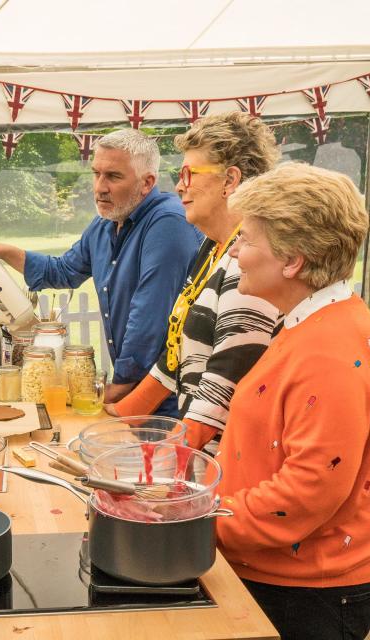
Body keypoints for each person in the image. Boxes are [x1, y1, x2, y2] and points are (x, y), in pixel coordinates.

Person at [216, 163, 370, 640]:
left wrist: (194, 519)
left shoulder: (328, 352)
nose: (234, 252)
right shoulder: (314, 320)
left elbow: (306, 492)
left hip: (310, 588)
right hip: (290, 573)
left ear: (292, 260)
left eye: (247, 240)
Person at [0, 129, 201, 414]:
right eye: (96, 173)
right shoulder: (105, 223)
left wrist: (117, 388)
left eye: (113, 176)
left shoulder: (168, 223)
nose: (99, 187)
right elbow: (63, 271)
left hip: (169, 399)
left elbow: (149, 314)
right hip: (131, 387)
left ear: (147, 182)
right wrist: (2, 250)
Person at [105, 112, 280, 449]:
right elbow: (175, 357)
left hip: (223, 461)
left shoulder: (247, 263)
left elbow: (222, 388)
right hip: (197, 450)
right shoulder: (211, 248)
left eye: (188, 173)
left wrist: (169, 462)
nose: (179, 186)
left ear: (230, 180)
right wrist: (119, 417)